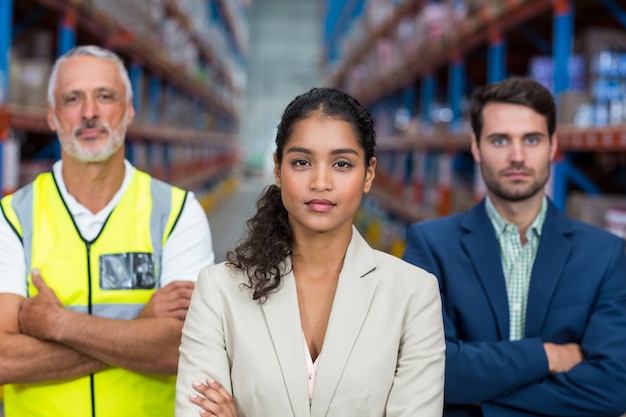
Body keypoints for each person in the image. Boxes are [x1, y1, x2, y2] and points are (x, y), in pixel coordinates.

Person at [175, 87, 445, 417]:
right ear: (277, 169)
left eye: (342, 163)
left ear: (369, 174)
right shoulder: (218, 291)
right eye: (302, 162)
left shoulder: (413, 294)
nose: (320, 182)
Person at [0, 45, 215, 417]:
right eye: (72, 99)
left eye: (105, 96)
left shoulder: (177, 213)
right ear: (51, 116)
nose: (89, 113)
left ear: (128, 110)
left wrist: (57, 324)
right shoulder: (12, 218)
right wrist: (140, 328)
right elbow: (4, 359)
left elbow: (178, 348)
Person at [402, 77, 626, 417]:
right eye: (500, 140)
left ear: (553, 146)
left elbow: (613, 386)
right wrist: (548, 356)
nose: (517, 156)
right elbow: (428, 371)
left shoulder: (605, 255)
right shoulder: (431, 245)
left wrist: (482, 399)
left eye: (532, 140)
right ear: (476, 147)